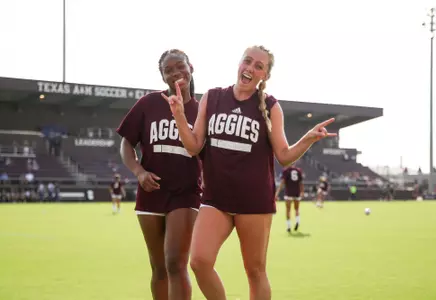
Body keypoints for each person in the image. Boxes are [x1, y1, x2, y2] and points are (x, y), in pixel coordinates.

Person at [163, 45, 336, 300]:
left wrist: (308, 139)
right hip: (216, 200)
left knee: (255, 271)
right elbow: (193, 147)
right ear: (239, 63)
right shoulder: (213, 97)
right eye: (248, 61)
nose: (251, 68)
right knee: (199, 261)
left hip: (254, 203)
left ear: (264, 76)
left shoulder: (270, 106)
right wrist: (178, 116)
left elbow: (284, 156)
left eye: (259, 66)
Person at [117, 49, 202, 300]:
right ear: (162, 76)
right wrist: (139, 171)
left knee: (176, 263)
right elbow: (126, 144)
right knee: (158, 269)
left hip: (185, 194)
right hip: (151, 193)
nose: (176, 73)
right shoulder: (149, 104)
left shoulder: (202, 110)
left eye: (180, 67)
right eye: (169, 70)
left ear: (191, 68)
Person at [275, 164, 304, 233]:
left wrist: (277, 193)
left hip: (289, 193)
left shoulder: (286, 171)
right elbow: (301, 183)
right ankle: (297, 221)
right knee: (296, 209)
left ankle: (288, 226)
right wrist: (302, 191)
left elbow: (282, 182)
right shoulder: (298, 170)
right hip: (297, 192)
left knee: (288, 210)